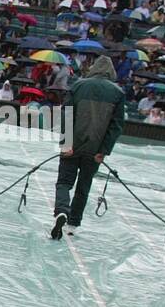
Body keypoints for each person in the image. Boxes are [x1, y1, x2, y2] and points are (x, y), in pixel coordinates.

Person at [51, 55, 124, 239]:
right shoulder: (118, 93)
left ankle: (61, 210)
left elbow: (66, 114)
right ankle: (73, 224)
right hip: (95, 151)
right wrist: (104, 151)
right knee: (83, 187)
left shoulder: (78, 86)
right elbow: (116, 126)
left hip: (72, 146)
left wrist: (66, 143)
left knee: (64, 182)